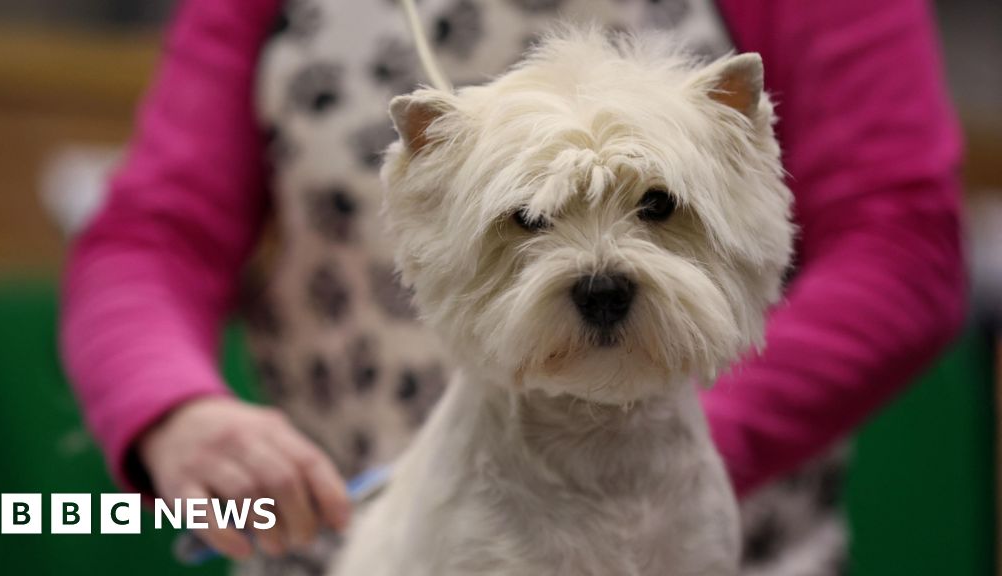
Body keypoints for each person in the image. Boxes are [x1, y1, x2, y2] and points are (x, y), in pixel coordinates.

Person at [61, 0, 965, 574]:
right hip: (341, 526)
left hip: (738, 515)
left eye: (656, 206)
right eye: (531, 223)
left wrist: (641, 451)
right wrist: (172, 409)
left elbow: (903, 242)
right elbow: (153, 233)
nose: (603, 273)